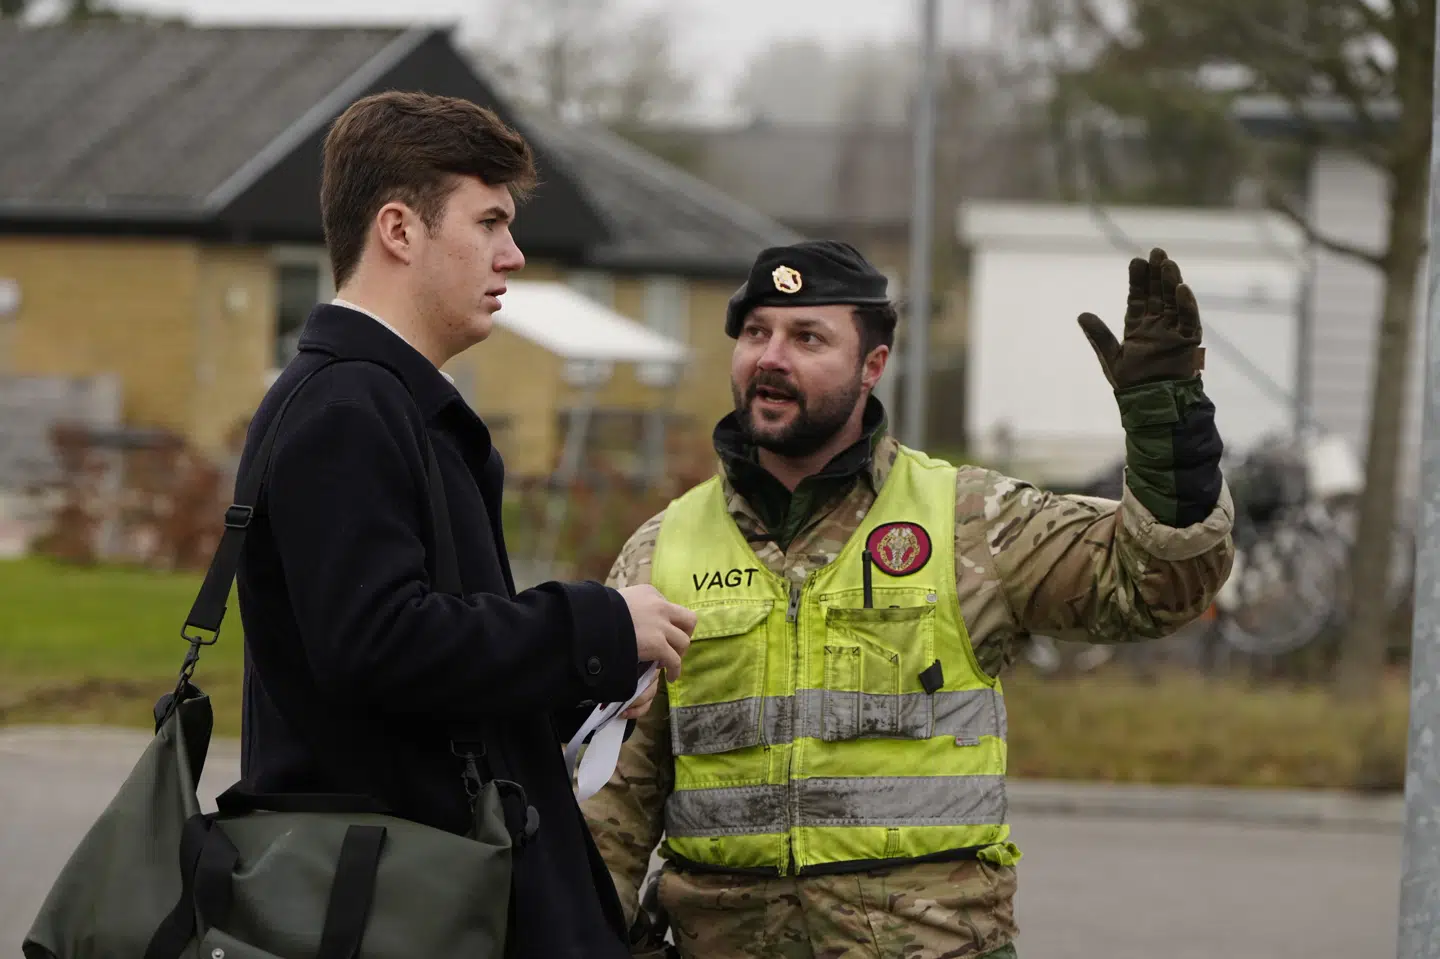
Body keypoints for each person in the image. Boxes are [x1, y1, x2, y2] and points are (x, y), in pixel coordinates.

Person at [581, 239, 1235, 958]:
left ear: (873, 366)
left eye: (807, 337)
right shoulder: (661, 551)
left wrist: (1164, 420)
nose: (771, 357)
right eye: (756, 332)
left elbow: (1153, 585)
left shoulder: (970, 520)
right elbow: (610, 798)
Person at [233, 90, 695, 959]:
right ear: (398, 230)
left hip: (418, 894)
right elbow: (377, 643)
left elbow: (428, 687)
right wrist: (593, 624)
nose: (512, 255)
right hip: (401, 907)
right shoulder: (348, 408)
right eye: (488, 222)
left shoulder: (383, 401)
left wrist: (586, 681)